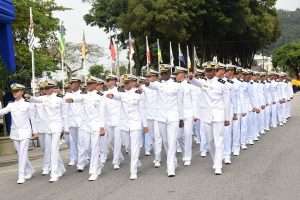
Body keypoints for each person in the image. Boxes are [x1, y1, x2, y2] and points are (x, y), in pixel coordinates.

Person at [189, 62, 230, 175]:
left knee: (219, 141)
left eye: (210, 71)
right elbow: (193, 81)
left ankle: (218, 166)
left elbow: (227, 102)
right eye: (206, 71)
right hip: (207, 116)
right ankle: (215, 160)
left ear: (214, 71)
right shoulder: (203, 82)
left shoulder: (222, 83)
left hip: (219, 115)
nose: (208, 73)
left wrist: (227, 117)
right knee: (210, 141)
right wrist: (191, 76)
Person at [107, 74, 148, 180]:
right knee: (128, 147)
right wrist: (111, 95)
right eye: (124, 83)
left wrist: (145, 125)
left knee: (134, 147)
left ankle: (133, 171)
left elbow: (142, 110)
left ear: (132, 82)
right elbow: (115, 96)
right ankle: (136, 161)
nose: (125, 85)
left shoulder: (139, 93)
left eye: (127, 82)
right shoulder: (121, 93)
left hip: (136, 123)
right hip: (124, 124)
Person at [145, 64, 184, 177]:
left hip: (173, 117)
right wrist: (145, 82)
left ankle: (170, 168)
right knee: (166, 142)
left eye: (164, 73)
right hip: (161, 118)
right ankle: (174, 161)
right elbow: (149, 84)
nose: (162, 75)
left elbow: (180, 103)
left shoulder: (177, 86)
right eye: (161, 74)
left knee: (172, 142)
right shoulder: (158, 85)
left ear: (168, 73)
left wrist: (181, 118)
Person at [30, 80, 66, 182]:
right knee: (50, 149)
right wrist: (27, 96)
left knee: (54, 149)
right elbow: (33, 100)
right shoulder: (42, 98)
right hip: (47, 128)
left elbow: (64, 114)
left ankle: (54, 174)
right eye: (44, 88)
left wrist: (64, 127)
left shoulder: (59, 99)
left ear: (53, 88)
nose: (46, 90)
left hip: (57, 126)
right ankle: (61, 168)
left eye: (48, 88)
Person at [0, 83, 35, 184]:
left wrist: (35, 131)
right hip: (15, 133)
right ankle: (30, 169)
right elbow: (2, 111)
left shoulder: (28, 105)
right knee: (20, 154)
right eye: (13, 91)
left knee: (22, 153)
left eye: (17, 91)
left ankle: (21, 175)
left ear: (22, 92)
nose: (14, 93)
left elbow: (32, 118)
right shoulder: (11, 104)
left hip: (25, 132)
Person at [175, 66, 197, 166]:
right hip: (178, 115)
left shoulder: (189, 85)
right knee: (178, 136)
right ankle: (185, 152)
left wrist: (195, 114)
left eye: (177, 74)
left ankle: (187, 157)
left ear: (183, 74)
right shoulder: (176, 86)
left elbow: (194, 100)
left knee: (188, 135)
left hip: (188, 114)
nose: (176, 76)